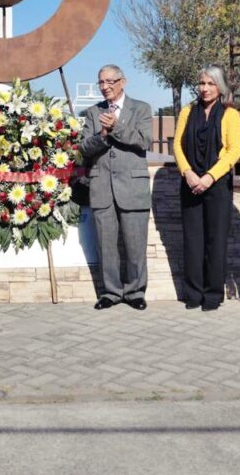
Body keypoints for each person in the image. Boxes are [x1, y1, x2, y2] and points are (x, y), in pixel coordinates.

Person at [80, 64, 153, 310]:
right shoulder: (92, 112)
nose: (105, 87)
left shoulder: (141, 109)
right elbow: (84, 149)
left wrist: (116, 127)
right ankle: (110, 292)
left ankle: (135, 292)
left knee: (135, 244)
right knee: (105, 244)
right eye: (101, 82)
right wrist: (102, 134)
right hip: (102, 187)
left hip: (132, 187)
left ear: (123, 81)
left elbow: (144, 141)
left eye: (110, 81)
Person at [173, 65, 240, 311]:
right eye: (202, 83)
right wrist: (188, 173)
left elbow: (234, 151)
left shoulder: (230, 114)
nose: (205, 88)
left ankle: (213, 294)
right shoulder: (187, 111)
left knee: (216, 241)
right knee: (193, 241)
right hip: (190, 184)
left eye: (210, 84)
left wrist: (209, 177)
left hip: (217, 186)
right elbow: (177, 146)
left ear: (220, 86)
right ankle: (193, 293)